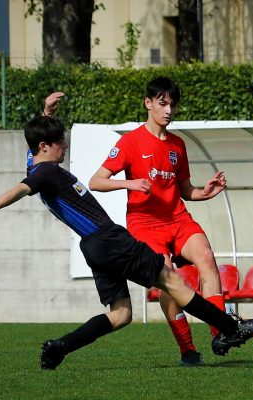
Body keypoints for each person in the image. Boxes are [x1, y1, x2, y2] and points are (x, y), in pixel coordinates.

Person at [0, 115, 253, 370]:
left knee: (121, 315)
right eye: (60, 143)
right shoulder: (46, 172)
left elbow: (32, 162)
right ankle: (231, 328)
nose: (64, 147)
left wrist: (46, 113)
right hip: (110, 239)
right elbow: (21, 188)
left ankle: (61, 347)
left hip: (93, 247)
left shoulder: (37, 167)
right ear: (45, 147)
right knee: (173, 282)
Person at [88, 77, 228, 365]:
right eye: (162, 104)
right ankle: (188, 350)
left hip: (177, 218)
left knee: (207, 259)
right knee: (169, 280)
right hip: (144, 223)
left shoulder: (178, 145)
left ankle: (221, 332)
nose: (168, 110)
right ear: (148, 103)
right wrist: (129, 184)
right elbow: (96, 181)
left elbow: (186, 191)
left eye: (172, 105)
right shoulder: (129, 142)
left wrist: (205, 192)